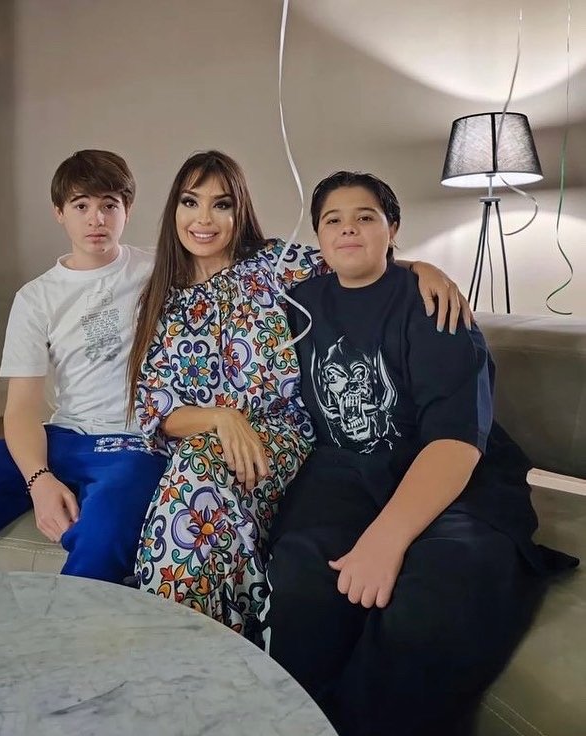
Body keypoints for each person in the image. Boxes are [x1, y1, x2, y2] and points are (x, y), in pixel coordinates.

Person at [261, 171, 579, 735]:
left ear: (393, 228)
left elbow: (456, 441)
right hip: (343, 473)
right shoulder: (298, 302)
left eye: (365, 217)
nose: (348, 229)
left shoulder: (434, 305)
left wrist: (385, 539)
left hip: (451, 475)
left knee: (432, 598)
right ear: (319, 237)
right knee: (302, 578)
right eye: (333, 220)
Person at [126, 151, 470, 636]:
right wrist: (222, 418)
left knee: (202, 471)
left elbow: (355, 258)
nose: (203, 219)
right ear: (174, 210)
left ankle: (199, 629)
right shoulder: (160, 296)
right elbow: (156, 407)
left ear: (240, 210)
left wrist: (423, 268)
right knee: (198, 466)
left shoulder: (276, 264)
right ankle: (182, 628)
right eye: (190, 202)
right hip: (206, 439)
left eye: (221, 204)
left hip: (283, 434)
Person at [0, 150, 166, 583]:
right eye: (81, 206)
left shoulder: (159, 269)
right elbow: (22, 408)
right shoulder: (35, 298)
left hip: (132, 444)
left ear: (127, 210)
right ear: (59, 212)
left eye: (109, 205)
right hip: (62, 436)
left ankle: (65, 626)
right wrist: (39, 479)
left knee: (103, 532)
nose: (96, 219)